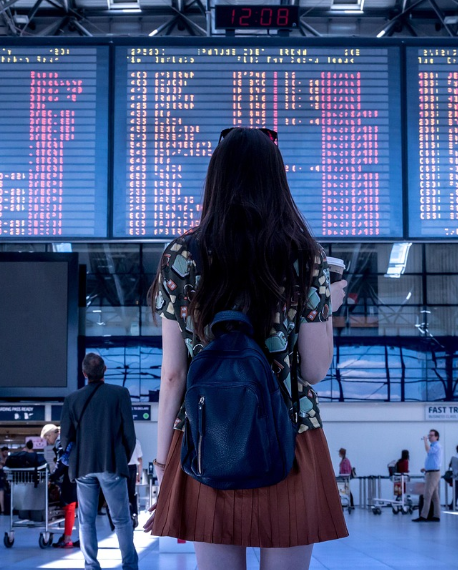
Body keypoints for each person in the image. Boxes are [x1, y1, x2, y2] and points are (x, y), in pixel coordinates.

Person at [144, 127, 349, 570]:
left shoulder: (182, 255)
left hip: (206, 436)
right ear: (277, 180)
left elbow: (173, 374)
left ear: (215, 180)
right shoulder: (305, 256)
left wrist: (163, 462)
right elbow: (314, 369)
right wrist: (325, 307)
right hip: (290, 435)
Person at [60, 353, 138, 570]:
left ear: (84, 373)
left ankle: (91, 566)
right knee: (122, 519)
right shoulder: (120, 394)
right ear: (105, 370)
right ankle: (130, 566)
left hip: (83, 467)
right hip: (112, 463)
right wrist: (122, 456)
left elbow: (65, 437)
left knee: (86, 520)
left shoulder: (72, 399)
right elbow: (129, 434)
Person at [41, 424, 78, 549]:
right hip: (79, 473)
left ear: (50, 434)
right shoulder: (68, 437)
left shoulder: (60, 440)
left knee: (69, 506)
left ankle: (67, 539)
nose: (48, 442)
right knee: (74, 507)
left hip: (71, 476)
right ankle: (71, 536)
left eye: (47, 439)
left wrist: (52, 476)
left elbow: (63, 461)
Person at [414, 429, 442, 522]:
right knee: (434, 496)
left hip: (433, 474)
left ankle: (424, 516)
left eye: (431, 435)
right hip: (431, 472)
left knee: (427, 494)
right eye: (429, 435)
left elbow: (428, 451)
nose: (429, 437)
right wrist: (426, 468)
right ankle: (436, 515)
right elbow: (434, 461)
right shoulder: (433, 446)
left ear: (436, 437)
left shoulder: (437, 445)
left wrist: (425, 441)